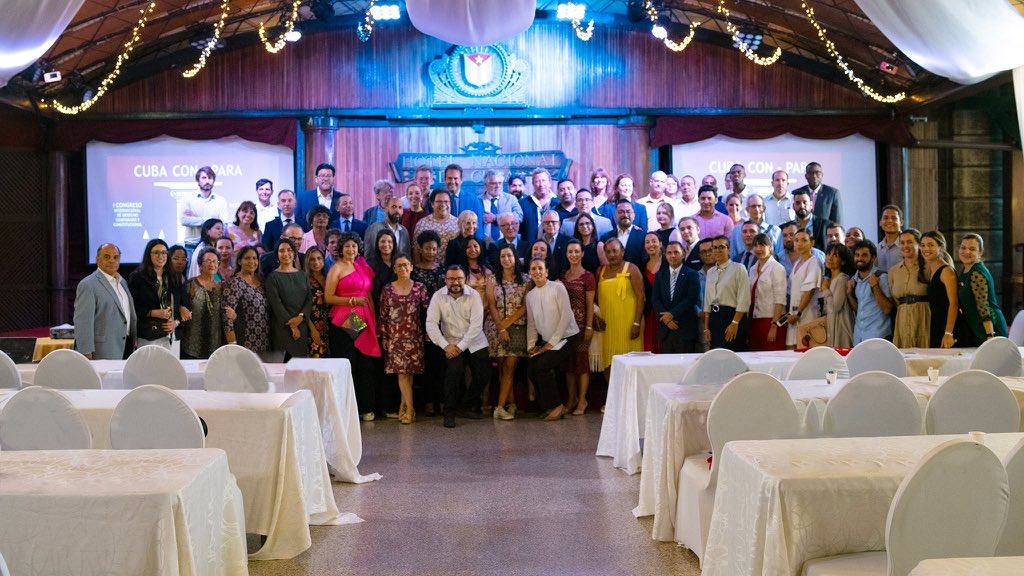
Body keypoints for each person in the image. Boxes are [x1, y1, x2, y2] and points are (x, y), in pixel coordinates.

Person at [324, 233, 382, 420]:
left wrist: (375, 320)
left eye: (354, 246)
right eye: (347, 246)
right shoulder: (336, 268)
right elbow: (328, 297)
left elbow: (367, 294)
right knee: (349, 362)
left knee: (365, 362)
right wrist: (350, 300)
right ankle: (347, 409)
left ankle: (366, 406)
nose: (351, 249)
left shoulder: (360, 265)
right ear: (341, 248)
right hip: (345, 318)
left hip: (364, 317)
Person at [426, 265, 492, 428]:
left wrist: (460, 347)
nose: (455, 282)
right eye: (451, 279)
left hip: (475, 341)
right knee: (453, 376)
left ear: (465, 279)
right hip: (451, 342)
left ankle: (466, 406)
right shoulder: (438, 296)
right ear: (446, 280)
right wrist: (446, 346)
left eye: (459, 278)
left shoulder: (474, 295)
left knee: (484, 376)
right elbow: (431, 324)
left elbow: (476, 326)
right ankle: (449, 413)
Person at [525, 257, 580, 421]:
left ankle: (557, 405)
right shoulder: (530, 296)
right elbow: (532, 324)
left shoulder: (557, 287)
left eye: (540, 268)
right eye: (533, 269)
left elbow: (565, 316)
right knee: (531, 368)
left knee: (542, 366)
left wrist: (551, 343)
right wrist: (531, 346)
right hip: (549, 341)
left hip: (567, 337)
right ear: (529, 273)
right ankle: (546, 407)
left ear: (547, 271)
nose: (537, 272)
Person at [378, 254, 430, 424]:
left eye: (406, 265)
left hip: (414, 335)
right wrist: (384, 335)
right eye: (399, 266)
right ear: (394, 269)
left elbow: (429, 311)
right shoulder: (387, 289)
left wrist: (429, 333)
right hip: (395, 336)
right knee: (401, 373)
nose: (403, 269)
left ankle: (403, 405)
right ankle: (411, 409)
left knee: (409, 373)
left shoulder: (420, 288)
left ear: (411, 267)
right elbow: (383, 315)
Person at [484, 245, 529, 420]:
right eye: (503, 256)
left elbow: (525, 306)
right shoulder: (492, 279)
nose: (506, 259)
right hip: (495, 327)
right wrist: (501, 327)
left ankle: (499, 407)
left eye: (509, 255)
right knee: (502, 368)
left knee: (510, 367)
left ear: (515, 258)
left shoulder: (525, 279)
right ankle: (512, 404)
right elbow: (491, 304)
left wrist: (507, 324)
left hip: (517, 326)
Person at [74, 243, 136, 360]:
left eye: (115, 257)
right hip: (103, 350)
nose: (112, 261)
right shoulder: (88, 285)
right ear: (97, 259)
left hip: (126, 346)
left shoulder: (123, 283)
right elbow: (83, 322)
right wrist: (85, 352)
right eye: (106, 257)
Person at [129, 239, 189, 354]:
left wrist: (175, 323)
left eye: (164, 252)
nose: (161, 256)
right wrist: (153, 312)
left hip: (171, 335)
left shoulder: (175, 277)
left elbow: (185, 306)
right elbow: (133, 307)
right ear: (149, 254)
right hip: (148, 335)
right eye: (156, 252)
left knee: (171, 371)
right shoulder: (137, 277)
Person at [411, 230, 446, 417]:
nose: (431, 252)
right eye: (427, 248)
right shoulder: (414, 270)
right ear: (420, 249)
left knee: (440, 361)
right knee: (426, 363)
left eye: (434, 248)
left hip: (442, 320)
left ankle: (440, 399)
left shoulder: (443, 269)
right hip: (421, 319)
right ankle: (427, 401)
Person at [596, 238, 644, 373]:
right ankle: (612, 393)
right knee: (608, 361)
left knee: (630, 362)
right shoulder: (600, 271)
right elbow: (594, 299)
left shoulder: (632, 269)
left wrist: (636, 323)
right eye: (608, 252)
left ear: (622, 251)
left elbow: (641, 297)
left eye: (615, 251)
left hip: (629, 324)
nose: (612, 255)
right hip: (607, 325)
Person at [561, 240, 596, 414]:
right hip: (565, 328)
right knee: (568, 365)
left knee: (581, 365)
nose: (573, 255)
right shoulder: (563, 276)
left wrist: (589, 327)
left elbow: (590, 305)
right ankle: (571, 399)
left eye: (576, 251)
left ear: (582, 253)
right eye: (570, 251)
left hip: (582, 326)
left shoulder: (588, 276)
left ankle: (582, 401)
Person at [957, 233, 1009, 346]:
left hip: (988, 329)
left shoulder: (976, 273)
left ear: (980, 252)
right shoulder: (966, 270)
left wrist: (990, 336)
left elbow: (983, 307)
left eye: (972, 249)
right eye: (963, 247)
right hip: (977, 328)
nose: (966, 252)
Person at [222, 246, 271, 359]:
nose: (252, 262)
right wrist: (233, 346)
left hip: (264, 341)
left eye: (254, 258)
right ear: (239, 261)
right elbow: (227, 318)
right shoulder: (234, 283)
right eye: (247, 258)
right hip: (244, 341)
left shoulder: (261, 281)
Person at [652, 241, 701, 353]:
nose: (672, 255)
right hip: (666, 330)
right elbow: (655, 299)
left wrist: (672, 314)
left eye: (676, 252)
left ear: (683, 254)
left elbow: (691, 299)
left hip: (684, 329)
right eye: (669, 253)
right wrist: (667, 320)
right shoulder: (660, 275)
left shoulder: (692, 274)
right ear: (665, 255)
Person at [703, 236, 750, 351]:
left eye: (721, 247)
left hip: (732, 317)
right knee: (717, 356)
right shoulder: (710, 272)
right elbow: (707, 301)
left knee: (733, 354)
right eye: (714, 248)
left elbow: (744, 299)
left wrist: (734, 323)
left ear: (728, 250)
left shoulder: (738, 268)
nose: (717, 250)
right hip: (715, 319)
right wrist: (706, 327)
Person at [921, 231, 963, 349]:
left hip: (950, 328)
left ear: (941, 247)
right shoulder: (932, 271)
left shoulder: (946, 271)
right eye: (923, 245)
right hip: (938, 325)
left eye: (931, 245)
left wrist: (948, 333)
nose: (926, 249)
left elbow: (954, 304)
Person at [889, 228, 930, 348]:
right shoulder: (893, 271)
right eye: (902, 243)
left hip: (923, 318)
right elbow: (895, 299)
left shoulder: (928, 267)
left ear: (918, 244)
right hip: (902, 318)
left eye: (909, 242)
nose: (905, 246)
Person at [746, 233, 788, 351]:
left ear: (770, 247)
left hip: (771, 320)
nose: (758, 249)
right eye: (755, 245)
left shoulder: (777, 268)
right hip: (755, 320)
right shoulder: (753, 269)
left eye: (762, 245)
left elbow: (780, 299)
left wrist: (774, 326)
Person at [180, 247, 222, 359]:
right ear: (200, 264)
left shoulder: (222, 286)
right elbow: (179, 305)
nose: (212, 264)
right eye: (208, 261)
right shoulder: (190, 284)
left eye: (215, 261)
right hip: (192, 344)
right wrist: (180, 308)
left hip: (215, 345)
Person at [785, 229, 823, 349]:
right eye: (796, 240)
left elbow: (810, 291)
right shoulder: (797, 263)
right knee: (792, 350)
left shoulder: (814, 261)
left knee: (806, 350)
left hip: (807, 313)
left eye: (804, 240)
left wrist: (799, 313)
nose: (799, 244)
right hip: (794, 313)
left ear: (812, 243)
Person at [180, 166, 230, 244]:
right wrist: (210, 220)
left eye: (210, 178)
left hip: (213, 243)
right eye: (204, 178)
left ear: (213, 181)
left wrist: (195, 219)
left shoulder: (221, 200)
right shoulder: (188, 198)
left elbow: (224, 223)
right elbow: (184, 220)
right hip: (192, 243)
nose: (207, 181)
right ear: (198, 180)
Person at [413, 189, 460, 267]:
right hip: (429, 271)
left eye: (446, 201)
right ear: (432, 204)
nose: (443, 204)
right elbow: (416, 251)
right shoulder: (422, 224)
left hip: (453, 272)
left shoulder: (458, 224)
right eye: (439, 201)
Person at [821, 243, 855, 348]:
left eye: (835, 255)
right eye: (828, 254)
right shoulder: (828, 280)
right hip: (831, 325)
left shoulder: (842, 279)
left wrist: (826, 290)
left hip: (841, 327)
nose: (830, 258)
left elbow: (835, 307)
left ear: (843, 261)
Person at [442, 164, 485, 240]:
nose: (452, 181)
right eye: (449, 178)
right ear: (445, 179)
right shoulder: (438, 199)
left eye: (455, 178)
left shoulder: (473, 200)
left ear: (461, 180)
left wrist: (478, 245)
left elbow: (478, 227)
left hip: (468, 245)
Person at [479, 170, 524, 242]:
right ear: (486, 185)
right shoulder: (478, 200)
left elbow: (519, 216)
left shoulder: (510, 199)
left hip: (506, 245)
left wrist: (496, 218)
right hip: (482, 244)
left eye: (500, 183)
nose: (497, 186)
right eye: (493, 183)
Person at [601, 199, 646, 268]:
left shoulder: (643, 237)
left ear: (634, 215)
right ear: (615, 215)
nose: (625, 215)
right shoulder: (605, 238)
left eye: (628, 212)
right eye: (621, 212)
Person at [297, 163, 342, 230]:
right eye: (322, 176)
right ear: (316, 179)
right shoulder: (303, 197)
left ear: (334, 179)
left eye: (329, 176)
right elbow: (298, 221)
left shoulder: (342, 198)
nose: (326, 179)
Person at [304, 247, 330, 358]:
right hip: (313, 327)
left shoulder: (329, 277)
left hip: (331, 327)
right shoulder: (305, 280)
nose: (316, 262)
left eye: (319, 258)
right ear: (307, 262)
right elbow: (303, 308)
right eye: (312, 259)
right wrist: (313, 330)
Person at [642, 232, 664, 353]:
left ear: (660, 244)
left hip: (665, 313)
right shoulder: (642, 266)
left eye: (654, 241)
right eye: (647, 242)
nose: (651, 244)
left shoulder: (668, 263)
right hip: (649, 314)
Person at [367, 228, 398, 309]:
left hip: (398, 306)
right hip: (376, 307)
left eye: (389, 242)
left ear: (394, 243)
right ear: (377, 243)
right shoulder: (370, 264)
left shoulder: (400, 262)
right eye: (383, 241)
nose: (386, 244)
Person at [876, 205, 903, 273]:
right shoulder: (878, 248)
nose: (889, 221)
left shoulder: (908, 244)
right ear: (880, 222)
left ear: (901, 222)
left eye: (894, 218)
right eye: (886, 218)